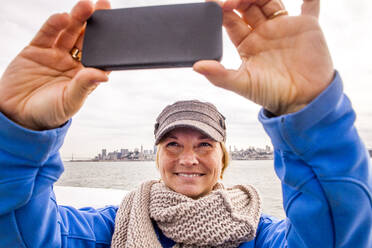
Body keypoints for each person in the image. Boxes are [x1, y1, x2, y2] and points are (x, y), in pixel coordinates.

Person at [0, 0, 371, 247]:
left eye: (204, 144)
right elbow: (23, 233)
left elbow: (335, 233)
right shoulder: (110, 227)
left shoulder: (258, 234)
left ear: (223, 157)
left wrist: (309, 113)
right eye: (173, 144)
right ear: (157, 156)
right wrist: (20, 134)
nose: (188, 158)